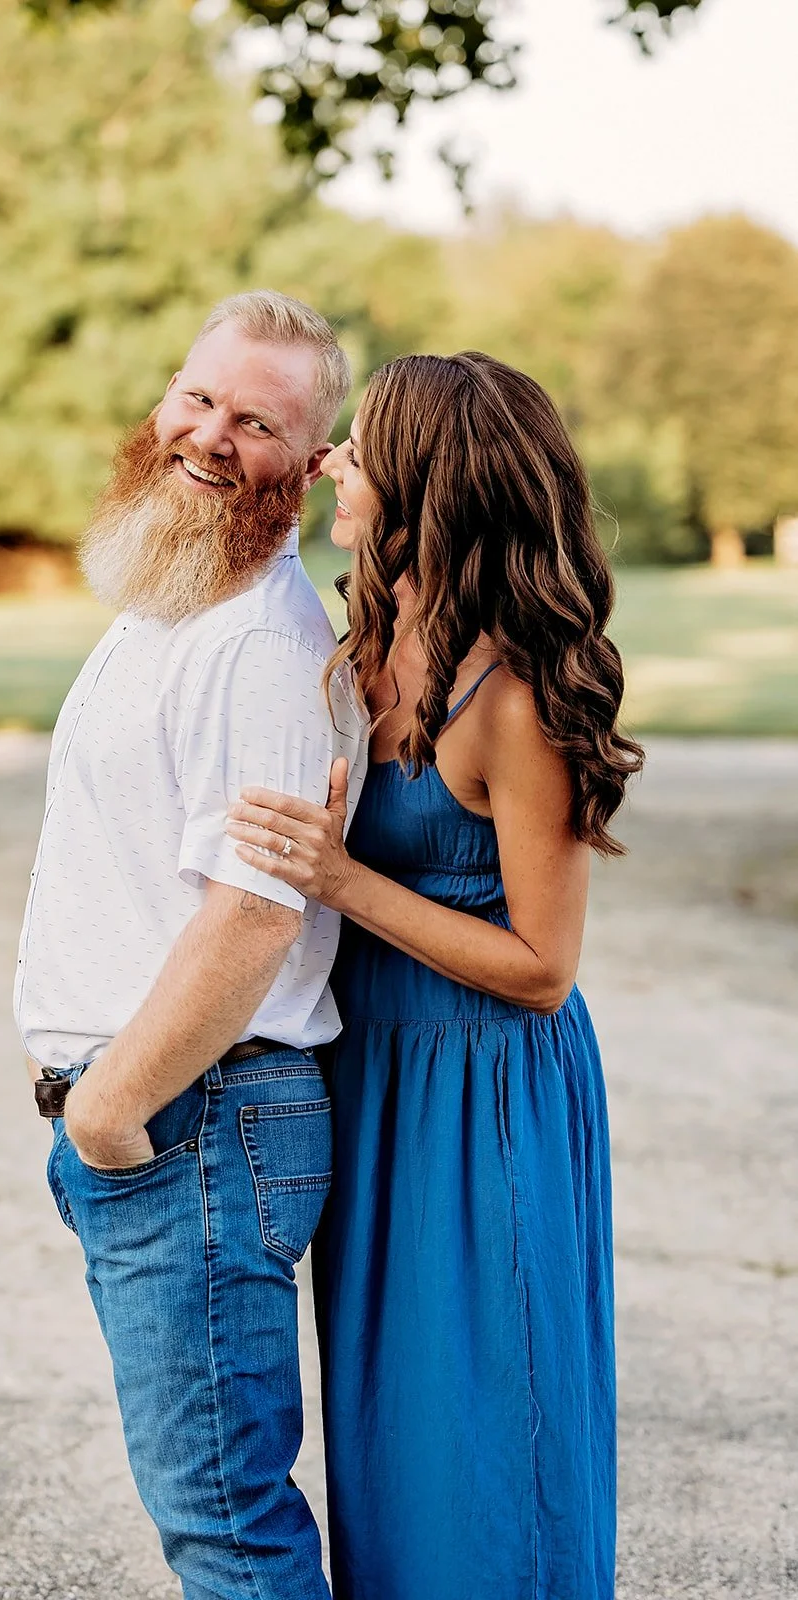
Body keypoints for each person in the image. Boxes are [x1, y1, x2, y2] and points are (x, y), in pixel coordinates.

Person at [225, 352, 645, 1600]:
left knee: (489, 1430)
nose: (332, 465)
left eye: (357, 450)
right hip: (372, 1077)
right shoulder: (365, 644)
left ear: (425, 488)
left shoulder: (514, 696)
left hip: (485, 1092)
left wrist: (341, 880)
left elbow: (541, 967)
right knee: (388, 1427)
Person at [15, 290, 367, 1599]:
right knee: (210, 1511)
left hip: (193, 1123)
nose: (210, 435)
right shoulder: (168, 593)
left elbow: (255, 911)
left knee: (226, 1525)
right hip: (169, 1121)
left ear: (308, 461)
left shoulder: (259, 648)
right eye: (197, 396)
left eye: (256, 423)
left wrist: (109, 1110)